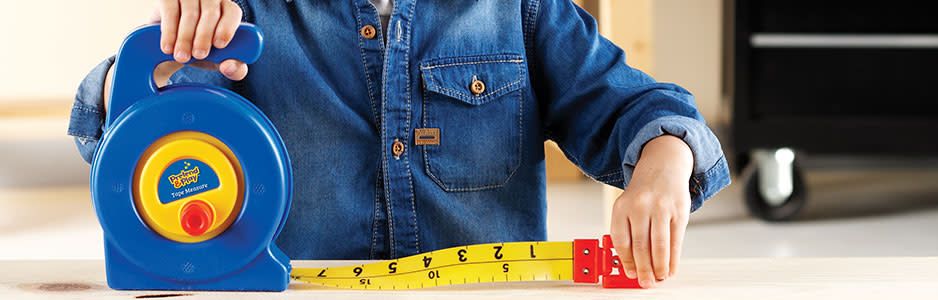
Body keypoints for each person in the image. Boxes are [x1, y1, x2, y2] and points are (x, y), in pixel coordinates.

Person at [68, 0, 730, 289]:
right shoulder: (244, 16)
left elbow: (638, 106)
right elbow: (136, 164)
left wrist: (664, 161)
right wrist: (141, 74)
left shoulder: (520, 10)